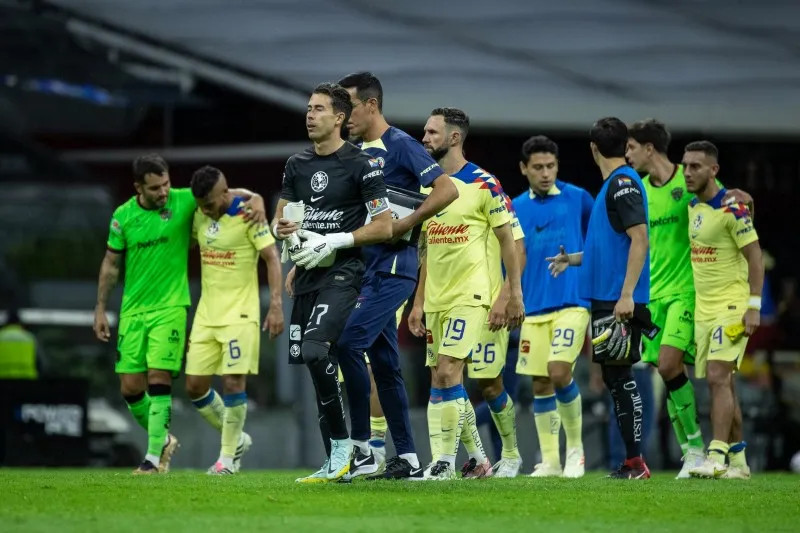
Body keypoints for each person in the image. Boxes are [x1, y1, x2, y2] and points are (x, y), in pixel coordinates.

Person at [93, 153, 267, 475]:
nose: (163, 192)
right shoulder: (122, 216)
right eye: (155, 188)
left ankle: (153, 457)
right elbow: (111, 263)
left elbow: (227, 193)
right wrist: (101, 308)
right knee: (130, 388)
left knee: (159, 378)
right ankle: (166, 439)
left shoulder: (184, 200)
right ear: (138, 188)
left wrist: (256, 198)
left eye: (166, 184)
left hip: (172, 306)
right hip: (133, 310)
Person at [334, 72, 459, 480]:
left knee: (349, 344)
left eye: (347, 105)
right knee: (385, 364)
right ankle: (406, 457)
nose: (342, 115)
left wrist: (408, 224)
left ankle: (361, 448)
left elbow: (446, 190)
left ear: (371, 105)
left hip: (394, 268)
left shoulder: (401, 145)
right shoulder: (354, 151)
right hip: (367, 269)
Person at [272, 82, 393, 483]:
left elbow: (384, 226)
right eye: (308, 108)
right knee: (312, 364)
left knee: (314, 350)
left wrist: (336, 240)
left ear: (339, 117)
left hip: (343, 274)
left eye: (319, 108)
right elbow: (283, 219)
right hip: (305, 276)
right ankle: (334, 462)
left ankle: (346, 447)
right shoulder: (296, 164)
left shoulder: (363, 165)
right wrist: (287, 232)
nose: (310, 114)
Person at [626, 119, 753, 478]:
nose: (627, 155)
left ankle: (697, 449)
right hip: (654, 297)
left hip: (690, 293)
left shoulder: (690, 178)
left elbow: (728, 206)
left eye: (632, 148)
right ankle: (731, 459)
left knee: (673, 367)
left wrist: (749, 199)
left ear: (649, 149)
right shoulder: (640, 191)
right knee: (687, 376)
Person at [408, 107, 525, 480]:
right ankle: (476, 457)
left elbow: (512, 242)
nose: (424, 138)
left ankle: (450, 462)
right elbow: (427, 248)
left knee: (467, 376)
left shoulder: (485, 184)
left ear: (454, 137)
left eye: (431, 132)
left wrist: (510, 294)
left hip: (476, 297)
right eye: (424, 132)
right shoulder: (428, 187)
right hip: (438, 299)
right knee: (444, 379)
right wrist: (419, 300)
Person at [547, 117, 652, 479]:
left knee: (621, 377)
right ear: (625, 145)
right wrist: (571, 259)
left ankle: (636, 462)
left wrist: (627, 296)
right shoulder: (613, 184)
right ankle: (631, 461)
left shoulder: (622, 184)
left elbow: (640, 239)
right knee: (614, 376)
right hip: (608, 298)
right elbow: (610, 246)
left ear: (593, 149)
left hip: (618, 300)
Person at [183, 166, 284, 475]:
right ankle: (237, 439)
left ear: (224, 195)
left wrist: (276, 304)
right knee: (194, 387)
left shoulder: (248, 215)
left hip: (241, 313)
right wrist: (251, 194)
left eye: (211, 205)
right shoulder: (199, 213)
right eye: (202, 206)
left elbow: (271, 257)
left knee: (233, 381)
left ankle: (226, 460)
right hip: (206, 314)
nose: (207, 211)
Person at [511, 136, 593, 478]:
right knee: (540, 384)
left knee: (560, 372)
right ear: (524, 169)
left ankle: (576, 452)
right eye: (538, 167)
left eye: (551, 167)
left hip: (573, 302)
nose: (545, 173)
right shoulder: (514, 207)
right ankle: (551, 460)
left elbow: (600, 245)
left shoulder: (579, 199)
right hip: (535, 307)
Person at [682, 141, 763, 480]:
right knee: (723, 383)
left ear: (713, 170)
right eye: (685, 166)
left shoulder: (733, 207)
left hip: (732, 305)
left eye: (696, 167)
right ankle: (740, 463)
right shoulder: (691, 206)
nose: (688, 172)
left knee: (717, 377)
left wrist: (753, 306)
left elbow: (755, 257)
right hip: (704, 308)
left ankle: (716, 455)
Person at [0, 308, 43, 379]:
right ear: (20, 324)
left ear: (6, 324)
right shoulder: (29, 338)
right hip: (26, 380)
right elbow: (40, 362)